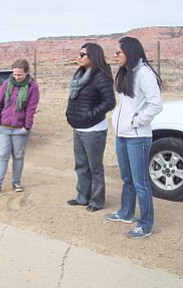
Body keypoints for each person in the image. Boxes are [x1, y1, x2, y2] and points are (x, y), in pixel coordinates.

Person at [105, 36, 162, 239]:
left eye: (118, 52)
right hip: (122, 135)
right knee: (127, 178)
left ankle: (145, 224)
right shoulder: (128, 73)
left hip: (137, 137)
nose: (115, 55)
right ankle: (126, 213)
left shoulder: (144, 73)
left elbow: (156, 104)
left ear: (129, 52)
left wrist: (136, 121)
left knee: (141, 182)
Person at [65, 43, 116, 212]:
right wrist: (69, 114)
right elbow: (75, 98)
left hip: (93, 129)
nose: (79, 57)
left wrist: (90, 115)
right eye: (79, 54)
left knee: (95, 168)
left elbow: (110, 101)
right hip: (79, 128)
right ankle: (82, 197)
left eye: (82, 54)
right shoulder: (80, 74)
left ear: (93, 57)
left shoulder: (100, 76)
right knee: (81, 165)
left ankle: (97, 201)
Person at [0, 59, 39, 197]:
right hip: (4, 126)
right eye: (14, 74)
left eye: (19, 75)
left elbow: (31, 108)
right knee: (2, 156)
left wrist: (27, 126)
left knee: (18, 156)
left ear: (26, 73)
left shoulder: (33, 87)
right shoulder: (7, 84)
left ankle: (16, 182)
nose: (17, 77)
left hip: (20, 128)